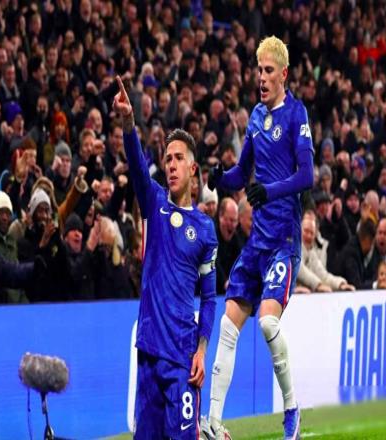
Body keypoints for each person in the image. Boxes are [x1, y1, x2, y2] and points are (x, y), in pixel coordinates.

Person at [203, 36, 314, 440]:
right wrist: (220, 177)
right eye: (259, 70)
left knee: (267, 322)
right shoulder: (254, 116)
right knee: (228, 326)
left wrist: (270, 191)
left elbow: (307, 176)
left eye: (268, 71)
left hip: (283, 239)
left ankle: (292, 410)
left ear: (284, 74)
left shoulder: (297, 115)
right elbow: (240, 173)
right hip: (257, 243)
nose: (261, 78)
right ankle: (213, 423)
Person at [113, 76, 219, 438]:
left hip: (183, 359)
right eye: (167, 159)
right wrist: (129, 124)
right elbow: (137, 166)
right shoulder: (154, 202)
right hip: (148, 354)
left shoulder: (205, 229)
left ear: (193, 169)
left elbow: (209, 298)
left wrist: (201, 351)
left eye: (178, 159)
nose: (171, 165)